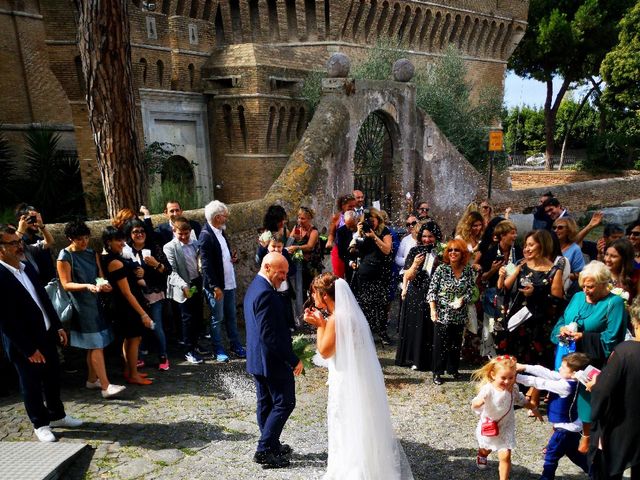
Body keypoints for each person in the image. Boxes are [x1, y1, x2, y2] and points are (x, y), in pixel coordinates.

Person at [304, 273, 414, 479]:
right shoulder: (349, 315)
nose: (312, 297)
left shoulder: (337, 319)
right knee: (360, 421)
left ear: (324, 295)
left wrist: (319, 325)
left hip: (346, 379)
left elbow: (325, 351)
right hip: (356, 376)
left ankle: (354, 470)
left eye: (314, 293)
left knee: (346, 421)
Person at [0, 224, 83, 442]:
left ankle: (57, 415)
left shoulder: (26, 267)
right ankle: (40, 423)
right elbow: (5, 321)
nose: (19, 246)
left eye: (19, 242)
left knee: (53, 377)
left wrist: (57, 326)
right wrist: (28, 349)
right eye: (13, 243)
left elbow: (44, 299)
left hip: (45, 333)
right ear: (1, 248)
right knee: (31, 384)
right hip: (24, 343)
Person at [551, 261, 627, 454]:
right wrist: (561, 329)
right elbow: (562, 320)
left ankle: (587, 438)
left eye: (591, 286)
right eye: (584, 285)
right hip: (568, 357)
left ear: (604, 284)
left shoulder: (613, 303)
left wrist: (583, 337)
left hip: (594, 362)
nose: (586, 290)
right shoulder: (577, 297)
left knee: (587, 402)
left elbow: (613, 338)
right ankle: (558, 439)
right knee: (562, 398)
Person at [245, 252, 303, 469]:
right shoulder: (266, 294)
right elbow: (270, 335)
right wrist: (292, 359)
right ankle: (264, 449)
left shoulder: (255, 287)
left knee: (266, 403)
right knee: (284, 402)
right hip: (271, 361)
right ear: (267, 267)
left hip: (258, 359)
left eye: (286, 273)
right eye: (281, 273)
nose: (284, 277)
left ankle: (271, 444)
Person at [57, 220, 125, 398]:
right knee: (96, 345)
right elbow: (66, 284)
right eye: (80, 239)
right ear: (70, 239)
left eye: (86, 238)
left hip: (95, 303)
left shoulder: (91, 253)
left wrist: (104, 285)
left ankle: (92, 380)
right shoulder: (64, 256)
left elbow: (99, 277)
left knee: (94, 345)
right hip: (81, 306)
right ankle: (105, 386)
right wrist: (87, 286)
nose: (84, 242)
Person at [516, 352, 591, 480]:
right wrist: (524, 367)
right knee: (574, 454)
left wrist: (516, 377)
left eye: (563, 367)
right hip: (572, 427)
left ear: (573, 373)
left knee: (551, 455)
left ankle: (546, 478)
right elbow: (547, 373)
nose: (559, 368)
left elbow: (541, 383)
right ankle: (596, 472)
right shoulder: (572, 379)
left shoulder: (566, 386)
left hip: (565, 429)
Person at [589, 298, 640, 480]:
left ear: (635, 322)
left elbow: (603, 391)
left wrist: (595, 385)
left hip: (619, 426)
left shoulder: (625, 351)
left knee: (608, 472)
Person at [498, 230, 564, 369]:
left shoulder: (554, 271)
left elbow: (557, 302)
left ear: (543, 245)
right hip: (517, 322)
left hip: (538, 326)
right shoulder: (521, 265)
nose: (526, 249)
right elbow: (504, 289)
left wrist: (536, 293)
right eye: (525, 245)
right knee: (512, 362)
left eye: (531, 245)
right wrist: (502, 276)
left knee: (536, 364)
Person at [471, 355, 542, 478]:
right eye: (503, 378)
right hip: (490, 425)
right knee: (486, 447)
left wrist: (533, 408)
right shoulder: (488, 389)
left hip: (506, 426)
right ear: (493, 375)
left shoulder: (513, 388)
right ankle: (482, 454)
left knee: (506, 456)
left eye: (511, 377)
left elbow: (521, 400)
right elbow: (475, 404)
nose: (507, 381)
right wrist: (479, 402)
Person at [100, 226, 154, 385]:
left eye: (123, 239)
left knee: (130, 339)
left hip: (126, 304)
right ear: (108, 242)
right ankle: (134, 374)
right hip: (126, 306)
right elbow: (126, 292)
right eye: (118, 240)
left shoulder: (113, 257)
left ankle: (130, 370)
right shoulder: (114, 262)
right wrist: (142, 313)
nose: (123, 243)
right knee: (134, 338)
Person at [200, 200, 246, 363]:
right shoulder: (206, 236)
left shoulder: (220, 231)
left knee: (231, 316)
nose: (226, 219)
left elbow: (221, 255)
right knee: (217, 318)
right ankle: (218, 348)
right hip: (217, 286)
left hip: (228, 282)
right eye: (225, 216)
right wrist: (214, 287)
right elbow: (206, 265)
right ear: (218, 217)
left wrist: (230, 259)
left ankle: (235, 345)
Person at [428, 238, 477, 385]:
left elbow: (471, 290)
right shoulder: (441, 269)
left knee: (456, 343)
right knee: (440, 343)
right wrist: (432, 309)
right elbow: (432, 291)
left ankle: (453, 369)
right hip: (442, 313)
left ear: (462, 253)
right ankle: (437, 372)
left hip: (459, 314)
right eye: (450, 250)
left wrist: (463, 300)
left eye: (456, 250)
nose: (453, 253)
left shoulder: (468, 270)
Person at [125, 218, 171, 371]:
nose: (139, 234)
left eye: (142, 231)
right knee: (138, 327)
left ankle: (163, 356)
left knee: (156, 325)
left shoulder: (154, 248)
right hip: (135, 295)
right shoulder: (126, 251)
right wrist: (136, 276)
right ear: (130, 234)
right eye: (135, 231)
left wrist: (154, 265)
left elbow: (167, 271)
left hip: (154, 293)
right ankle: (139, 356)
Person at [395, 221, 441, 371]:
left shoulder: (441, 251)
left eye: (431, 236)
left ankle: (431, 360)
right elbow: (407, 275)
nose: (427, 240)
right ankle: (415, 358)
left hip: (435, 293)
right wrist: (415, 264)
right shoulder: (415, 250)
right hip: (417, 291)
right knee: (417, 325)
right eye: (425, 236)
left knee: (430, 326)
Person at [476, 219, 521, 358]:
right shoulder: (491, 252)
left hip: (511, 295)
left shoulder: (518, 251)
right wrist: (494, 269)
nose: (514, 236)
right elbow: (483, 277)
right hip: (493, 295)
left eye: (515, 233)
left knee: (507, 324)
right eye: (511, 233)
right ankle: (490, 352)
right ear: (502, 235)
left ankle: (505, 352)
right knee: (491, 324)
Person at [163, 217, 205, 365]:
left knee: (197, 316)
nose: (184, 237)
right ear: (174, 231)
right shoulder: (170, 247)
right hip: (183, 286)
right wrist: (183, 286)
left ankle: (195, 344)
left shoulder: (195, 243)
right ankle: (188, 350)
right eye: (181, 234)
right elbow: (171, 272)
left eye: (187, 234)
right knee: (187, 319)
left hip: (196, 283)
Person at [350, 207, 393, 344]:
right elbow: (351, 249)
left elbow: (387, 250)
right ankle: (365, 334)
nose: (370, 223)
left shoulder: (384, 232)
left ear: (378, 220)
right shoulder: (361, 232)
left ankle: (382, 333)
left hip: (380, 274)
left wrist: (374, 237)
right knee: (365, 305)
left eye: (372, 221)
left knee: (381, 305)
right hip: (364, 274)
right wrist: (358, 232)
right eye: (368, 221)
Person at [326, 194, 356, 278]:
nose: (352, 208)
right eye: (350, 206)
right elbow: (332, 232)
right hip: (339, 249)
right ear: (343, 206)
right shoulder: (337, 217)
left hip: (351, 249)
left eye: (354, 206)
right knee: (338, 275)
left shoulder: (356, 216)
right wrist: (330, 241)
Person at [553, 217, 585, 295]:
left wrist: (564, 276)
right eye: (554, 228)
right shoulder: (550, 246)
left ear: (569, 230)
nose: (556, 230)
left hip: (566, 290)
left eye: (560, 228)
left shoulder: (575, 249)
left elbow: (580, 274)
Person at [604, 238, 639, 302]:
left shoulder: (636, 276)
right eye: (606, 254)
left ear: (624, 259)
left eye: (613, 256)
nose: (607, 259)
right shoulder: (599, 274)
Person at [335, 210, 358, 284]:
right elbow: (341, 253)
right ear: (344, 221)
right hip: (349, 264)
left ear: (356, 220)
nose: (351, 228)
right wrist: (350, 263)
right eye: (348, 225)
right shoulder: (341, 232)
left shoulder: (363, 228)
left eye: (352, 225)